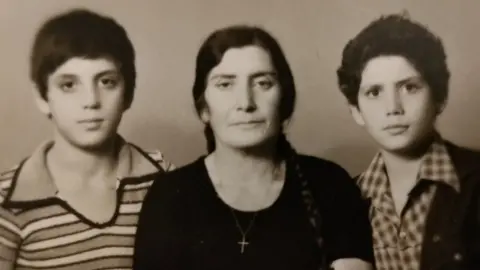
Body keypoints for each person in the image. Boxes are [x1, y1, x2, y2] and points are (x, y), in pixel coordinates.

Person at [133, 25, 374, 270]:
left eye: (262, 83)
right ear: (204, 107)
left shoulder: (330, 186)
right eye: (225, 84)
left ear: (284, 99)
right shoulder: (170, 197)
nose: (246, 103)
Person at [0, 8, 174, 270]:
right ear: (42, 96)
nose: (91, 101)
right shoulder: (7, 202)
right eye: (69, 85)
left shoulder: (163, 179)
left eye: (106, 81)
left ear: (127, 94)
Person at [336, 13, 480, 270]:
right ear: (356, 111)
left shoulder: (474, 181)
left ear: (439, 97)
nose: (393, 108)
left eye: (409, 87)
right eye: (374, 92)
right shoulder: (344, 199)